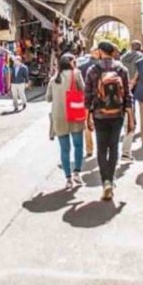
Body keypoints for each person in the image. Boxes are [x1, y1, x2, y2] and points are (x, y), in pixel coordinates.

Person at [84, 40, 134, 201]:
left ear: (99, 52)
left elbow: (88, 96)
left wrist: (87, 117)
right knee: (114, 147)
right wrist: (131, 119)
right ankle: (110, 181)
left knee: (101, 148)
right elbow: (127, 96)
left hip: (99, 114)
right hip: (117, 114)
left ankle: (105, 181)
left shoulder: (93, 70)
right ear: (113, 52)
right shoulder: (122, 69)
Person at [46, 53, 87, 190]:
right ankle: (77, 172)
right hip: (74, 112)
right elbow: (84, 90)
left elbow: (48, 98)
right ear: (71, 63)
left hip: (59, 116)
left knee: (64, 149)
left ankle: (68, 178)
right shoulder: (76, 74)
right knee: (78, 145)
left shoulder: (53, 79)